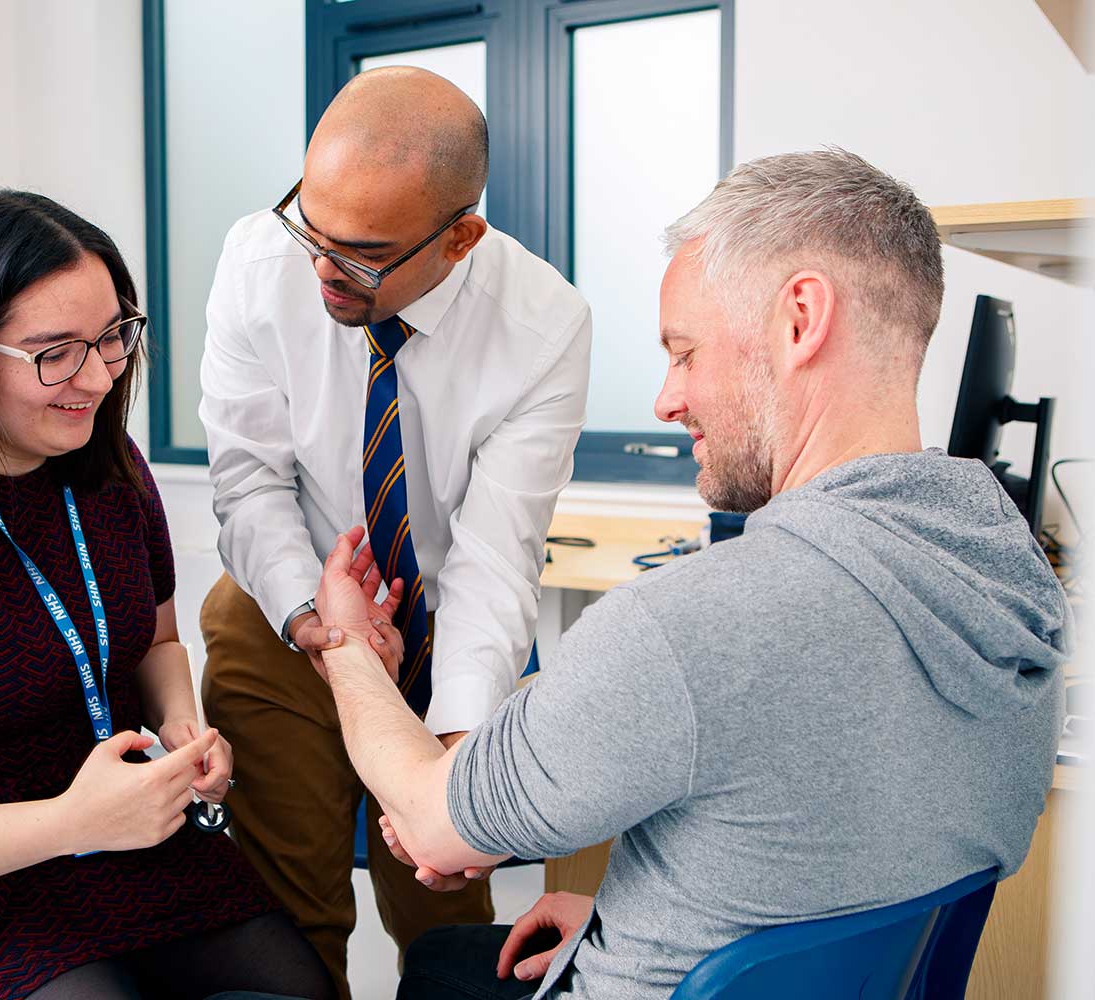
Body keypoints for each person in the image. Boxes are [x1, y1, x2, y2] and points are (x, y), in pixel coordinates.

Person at [308, 149, 1068, 1000]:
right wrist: (634, 915)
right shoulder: (1011, 591)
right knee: (455, 960)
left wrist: (343, 639)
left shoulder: (685, 628)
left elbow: (430, 824)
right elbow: (860, 864)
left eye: (685, 351)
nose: (667, 400)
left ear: (800, 319)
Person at [0, 190, 333, 1000]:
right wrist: (75, 821)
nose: (100, 377)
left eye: (113, 337)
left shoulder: (108, 473)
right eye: (56, 353)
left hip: (105, 824)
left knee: (297, 989)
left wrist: (182, 726)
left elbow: (155, 644)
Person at [196, 66, 592, 997]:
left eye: (362, 254)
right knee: (292, 913)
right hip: (281, 610)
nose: (324, 270)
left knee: (446, 907)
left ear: (459, 237)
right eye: (312, 229)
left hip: (443, 626)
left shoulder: (542, 325)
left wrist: (453, 750)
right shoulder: (260, 261)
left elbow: (497, 558)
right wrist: (317, 622)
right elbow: (247, 480)